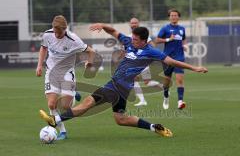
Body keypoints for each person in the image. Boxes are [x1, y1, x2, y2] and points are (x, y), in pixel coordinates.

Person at [39, 23, 208, 138]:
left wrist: (195, 68)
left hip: (115, 86)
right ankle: (154, 127)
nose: (132, 41)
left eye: (135, 39)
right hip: (123, 88)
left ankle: (55, 120)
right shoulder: (129, 42)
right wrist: (102, 25)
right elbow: (114, 32)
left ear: (143, 41)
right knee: (121, 119)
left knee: (86, 104)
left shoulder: (151, 52)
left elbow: (171, 62)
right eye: (132, 38)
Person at [36, 15, 95, 140]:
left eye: (59, 33)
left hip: (67, 72)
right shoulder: (48, 34)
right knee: (52, 104)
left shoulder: (73, 39)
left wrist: (89, 63)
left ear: (65, 29)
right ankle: (63, 131)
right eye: (55, 32)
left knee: (66, 107)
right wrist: (39, 65)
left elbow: (91, 51)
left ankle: (73, 94)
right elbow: (43, 48)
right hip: (51, 72)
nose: (57, 35)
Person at [154, 9, 187, 110]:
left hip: (180, 57)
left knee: (179, 80)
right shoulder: (165, 28)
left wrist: (185, 45)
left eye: (175, 15)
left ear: (178, 17)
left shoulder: (182, 28)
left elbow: (184, 39)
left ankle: (180, 102)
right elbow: (157, 40)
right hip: (167, 58)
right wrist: (168, 39)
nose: (173, 17)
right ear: (169, 17)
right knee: (167, 81)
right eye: (172, 15)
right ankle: (166, 96)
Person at [129, 18, 163, 107]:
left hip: (143, 62)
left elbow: (153, 46)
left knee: (134, 80)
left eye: (135, 23)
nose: (134, 24)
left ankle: (143, 100)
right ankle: (163, 86)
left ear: (138, 24)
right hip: (134, 62)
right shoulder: (129, 36)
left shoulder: (143, 35)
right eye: (132, 23)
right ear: (130, 24)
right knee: (146, 82)